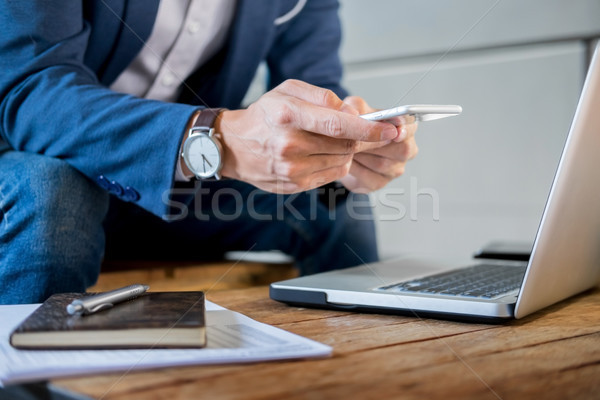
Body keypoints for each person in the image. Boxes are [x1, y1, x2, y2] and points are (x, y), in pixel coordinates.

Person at [0, 0, 418, 304]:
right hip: (26, 156)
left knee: (333, 200)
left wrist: (344, 147)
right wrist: (213, 138)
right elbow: (31, 92)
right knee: (53, 192)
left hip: (175, 190)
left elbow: (319, 90)